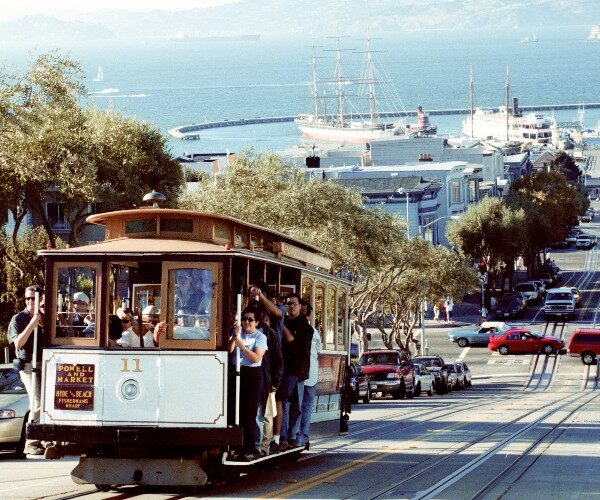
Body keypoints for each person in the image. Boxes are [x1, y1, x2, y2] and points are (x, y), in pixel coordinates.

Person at [7, 286, 45, 455]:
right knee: (36, 401)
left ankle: (47, 438)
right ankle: (31, 441)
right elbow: (18, 344)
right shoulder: (18, 319)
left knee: (48, 401)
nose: (30, 302)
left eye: (33, 298)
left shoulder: (47, 316)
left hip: (46, 363)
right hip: (28, 365)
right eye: (27, 299)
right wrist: (31, 324)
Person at [228, 307, 268, 461]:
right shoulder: (237, 333)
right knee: (235, 410)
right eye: (244, 319)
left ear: (257, 322)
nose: (246, 322)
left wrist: (242, 346)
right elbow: (229, 350)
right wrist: (234, 337)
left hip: (252, 375)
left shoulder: (260, 337)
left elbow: (256, 358)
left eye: (250, 320)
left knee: (249, 412)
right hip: (236, 373)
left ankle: (252, 447)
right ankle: (237, 446)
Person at [277, 293, 313, 451]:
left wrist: (280, 324)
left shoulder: (304, 326)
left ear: (300, 306)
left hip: (295, 370)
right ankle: (286, 436)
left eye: (293, 304)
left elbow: (293, 342)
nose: (290, 306)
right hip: (281, 368)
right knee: (283, 402)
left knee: (292, 404)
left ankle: (290, 436)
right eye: (287, 303)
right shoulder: (283, 320)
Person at [292, 302, 322, 448]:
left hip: (302, 372)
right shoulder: (314, 331)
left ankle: (298, 435)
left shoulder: (300, 330)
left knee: (298, 405)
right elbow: (319, 351)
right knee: (305, 406)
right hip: (311, 373)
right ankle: (301, 436)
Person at [257, 311, 283, 456]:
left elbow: (278, 361)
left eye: (267, 320)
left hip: (268, 381)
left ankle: (264, 446)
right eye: (263, 319)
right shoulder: (250, 334)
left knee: (267, 414)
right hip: (256, 379)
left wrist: (275, 382)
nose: (265, 322)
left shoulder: (270, 335)